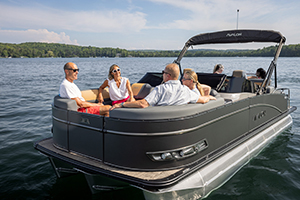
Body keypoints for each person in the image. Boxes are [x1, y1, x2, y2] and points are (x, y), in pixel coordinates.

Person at [111, 63, 216, 109]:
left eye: (163, 72)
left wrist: (122, 105)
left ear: (168, 76)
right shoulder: (185, 90)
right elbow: (202, 100)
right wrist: (210, 97)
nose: (162, 74)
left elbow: (143, 104)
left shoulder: (160, 89)